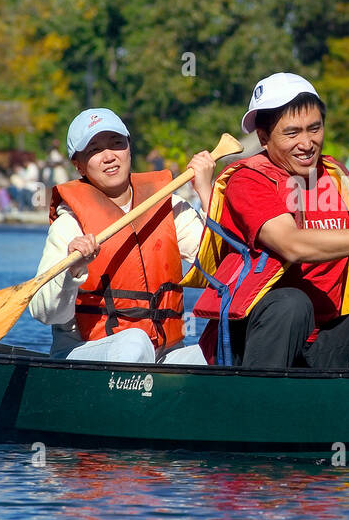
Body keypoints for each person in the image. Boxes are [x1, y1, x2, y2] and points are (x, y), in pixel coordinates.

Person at [183, 73, 349, 368]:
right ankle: (257, 404)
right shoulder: (247, 180)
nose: (307, 143)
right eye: (292, 133)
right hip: (253, 338)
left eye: (315, 129)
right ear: (264, 137)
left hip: (318, 339)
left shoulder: (335, 174)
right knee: (292, 303)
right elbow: (292, 245)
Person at [28, 108, 213, 366]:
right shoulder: (69, 225)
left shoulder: (167, 205)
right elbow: (45, 313)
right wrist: (73, 270)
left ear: (129, 148)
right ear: (78, 164)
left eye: (116, 144)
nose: (109, 157)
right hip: (87, 350)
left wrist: (207, 194)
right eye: (94, 149)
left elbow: (217, 267)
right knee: (134, 342)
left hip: (165, 352)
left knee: (213, 354)